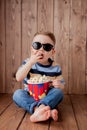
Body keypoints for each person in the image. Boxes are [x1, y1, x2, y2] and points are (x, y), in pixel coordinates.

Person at [13, 31, 65, 122]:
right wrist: (31, 62)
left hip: (47, 97)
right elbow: (18, 78)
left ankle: (40, 109)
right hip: (30, 95)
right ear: (31, 49)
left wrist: (59, 85)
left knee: (58, 93)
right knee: (17, 94)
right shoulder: (27, 63)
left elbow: (62, 85)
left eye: (47, 47)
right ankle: (42, 111)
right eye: (37, 45)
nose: (41, 50)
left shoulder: (55, 67)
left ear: (52, 52)